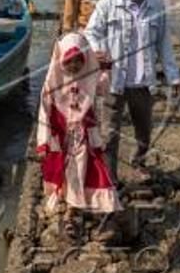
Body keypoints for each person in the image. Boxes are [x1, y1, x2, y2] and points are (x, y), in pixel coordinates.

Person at [84, 0, 180, 182]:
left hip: (143, 82)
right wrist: (98, 49)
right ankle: (110, 179)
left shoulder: (157, 5)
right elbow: (92, 31)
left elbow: (164, 44)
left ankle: (138, 162)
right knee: (109, 134)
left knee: (144, 133)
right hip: (113, 81)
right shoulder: (107, 4)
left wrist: (174, 77)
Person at [36, 32, 121, 240]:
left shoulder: (90, 77)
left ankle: (72, 211)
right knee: (66, 172)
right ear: (61, 60)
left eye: (78, 61)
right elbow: (44, 112)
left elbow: (103, 89)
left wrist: (107, 68)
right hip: (61, 135)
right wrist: (43, 142)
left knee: (83, 168)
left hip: (84, 134)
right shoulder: (53, 81)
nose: (74, 66)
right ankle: (72, 206)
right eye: (69, 61)